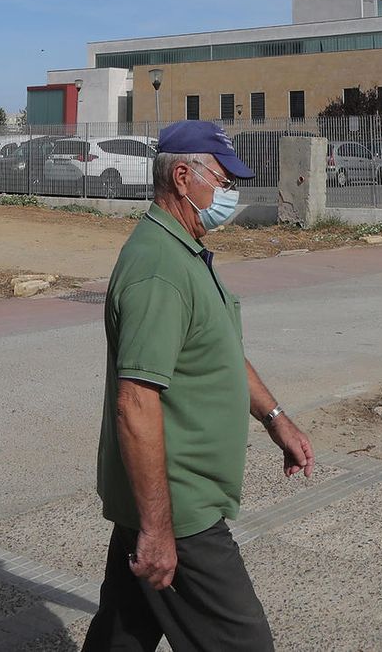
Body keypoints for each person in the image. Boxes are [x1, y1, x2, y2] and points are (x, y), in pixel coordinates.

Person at [83, 120, 313, 651]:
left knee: (124, 633)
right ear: (183, 177)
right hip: (179, 506)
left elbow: (218, 354)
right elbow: (135, 403)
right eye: (224, 179)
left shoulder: (184, 251)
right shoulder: (159, 271)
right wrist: (159, 528)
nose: (232, 193)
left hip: (161, 497)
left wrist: (276, 418)